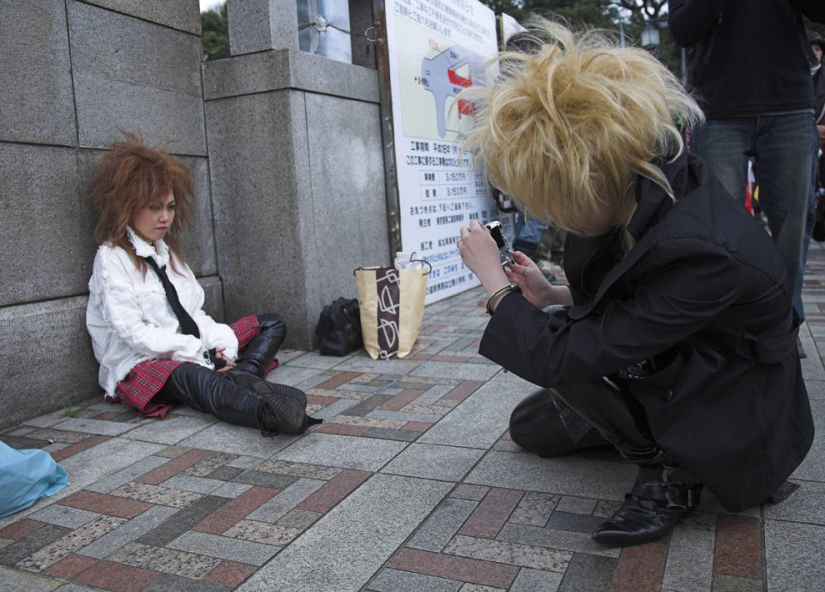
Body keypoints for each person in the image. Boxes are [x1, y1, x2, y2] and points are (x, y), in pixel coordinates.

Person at [456, 20, 814, 547]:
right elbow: (643, 294)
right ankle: (645, 433)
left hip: (736, 401)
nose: (554, 215)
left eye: (557, 197)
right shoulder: (646, 185)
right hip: (684, 359)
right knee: (528, 428)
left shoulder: (702, 249)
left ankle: (668, 477)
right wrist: (551, 294)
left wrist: (495, 284)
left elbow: (567, 353)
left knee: (563, 354)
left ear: (595, 173)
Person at [86, 134, 316, 437]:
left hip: (193, 347)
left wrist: (220, 347)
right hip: (143, 362)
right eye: (154, 207)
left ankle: (241, 374)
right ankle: (268, 414)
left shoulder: (167, 252)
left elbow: (193, 314)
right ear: (128, 206)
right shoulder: (112, 258)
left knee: (271, 323)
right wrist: (198, 353)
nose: (165, 217)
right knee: (194, 377)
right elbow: (133, 334)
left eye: (170, 207)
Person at [668, 1, 825, 358]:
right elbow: (682, 31)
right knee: (718, 229)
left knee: (792, 228)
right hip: (718, 106)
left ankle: (782, 323)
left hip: (789, 103)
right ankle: (729, 324)